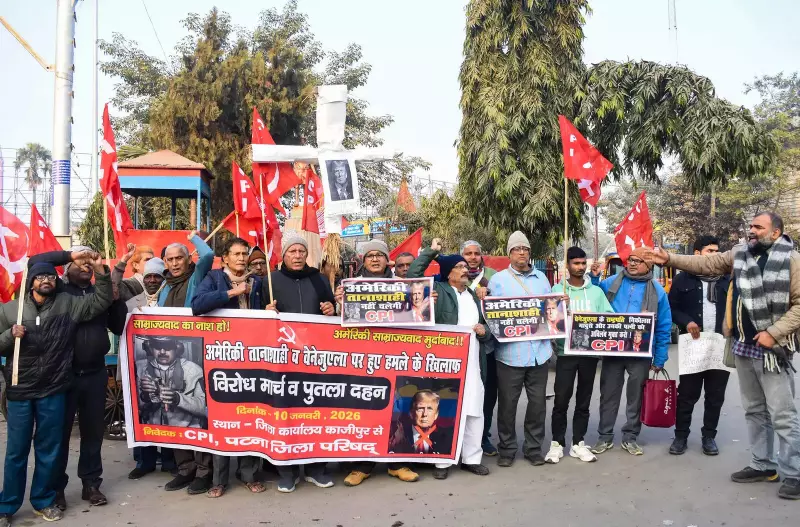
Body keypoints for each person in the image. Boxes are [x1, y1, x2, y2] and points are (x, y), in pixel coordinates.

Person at [651, 212, 800, 500]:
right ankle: (762, 464)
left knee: (782, 415)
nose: (752, 231)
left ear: (777, 232)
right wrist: (669, 258)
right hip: (742, 345)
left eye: (759, 227)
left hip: (773, 350)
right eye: (751, 226)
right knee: (755, 411)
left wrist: (774, 332)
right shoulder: (741, 254)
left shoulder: (792, 260)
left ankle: (793, 472)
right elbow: (705, 263)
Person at [0, 251, 113, 525]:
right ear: (31, 281)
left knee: (48, 448)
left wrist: (103, 272)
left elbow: (101, 300)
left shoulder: (67, 304)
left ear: (56, 280)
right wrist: (8, 335)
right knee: (16, 451)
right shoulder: (9, 310)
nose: (45, 280)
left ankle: (43, 500)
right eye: (40, 276)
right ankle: (7, 505)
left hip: (53, 389)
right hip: (20, 390)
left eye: (50, 275)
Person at [29, 246, 128, 511]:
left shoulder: (100, 293)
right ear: (67, 269)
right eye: (80, 263)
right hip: (63, 375)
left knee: (93, 433)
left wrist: (116, 300)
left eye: (89, 264)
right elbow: (35, 261)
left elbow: (118, 327)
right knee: (59, 435)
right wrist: (71, 253)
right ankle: (57, 488)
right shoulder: (58, 291)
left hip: (95, 374)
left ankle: (91, 484)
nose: (85, 266)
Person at [336, 239, 420, 486]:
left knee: (399, 410)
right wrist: (339, 302)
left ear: (387, 260)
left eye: (379, 255)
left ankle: (398, 464)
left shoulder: (402, 286)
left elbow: (415, 317)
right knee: (364, 412)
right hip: (363, 359)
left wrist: (425, 301)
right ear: (364, 259)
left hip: (395, 357)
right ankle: (361, 466)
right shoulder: (351, 286)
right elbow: (338, 322)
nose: (374, 259)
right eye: (370, 255)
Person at [407, 238, 490, 479]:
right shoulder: (438, 291)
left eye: (467, 267)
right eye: (460, 267)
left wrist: (483, 332)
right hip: (446, 363)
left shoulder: (474, 296)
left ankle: (472, 459)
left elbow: (486, 327)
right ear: (449, 272)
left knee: (474, 410)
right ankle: (441, 462)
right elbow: (413, 273)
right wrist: (433, 252)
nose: (466, 270)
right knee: (444, 409)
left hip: (473, 362)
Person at [191, 237, 265, 497]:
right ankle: (218, 479)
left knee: (249, 417)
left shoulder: (258, 282)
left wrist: (269, 310)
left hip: (252, 358)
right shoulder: (214, 279)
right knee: (222, 419)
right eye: (237, 254)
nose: (242, 258)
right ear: (225, 257)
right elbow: (197, 306)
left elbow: (266, 314)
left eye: (245, 254)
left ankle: (248, 473)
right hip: (221, 358)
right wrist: (233, 292)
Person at [264, 234, 336, 492]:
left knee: (316, 414)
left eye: (301, 251)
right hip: (282, 360)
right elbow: (250, 318)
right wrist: (265, 313)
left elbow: (333, 310)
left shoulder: (318, 278)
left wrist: (331, 309)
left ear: (307, 255)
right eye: (292, 251)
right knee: (285, 414)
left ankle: (317, 468)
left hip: (316, 359)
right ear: (283, 255)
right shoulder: (269, 281)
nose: (297, 255)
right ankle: (287, 470)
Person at [591, 246, 672, 457]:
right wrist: (593, 278)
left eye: (638, 261)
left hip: (640, 353)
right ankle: (605, 436)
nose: (633, 263)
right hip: (613, 351)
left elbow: (664, 326)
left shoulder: (658, 291)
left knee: (636, 396)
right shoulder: (610, 283)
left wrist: (660, 357)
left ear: (649, 265)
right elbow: (593, 298)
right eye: (631, 260)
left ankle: (630, 437)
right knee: (608, 395)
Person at [488, 231, 556, 467]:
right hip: (510, 355)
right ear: (509, 253)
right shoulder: (498, 280)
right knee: (507, 406)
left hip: (539, 354)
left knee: (537, 405)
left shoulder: (542, 279)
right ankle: (507, 449)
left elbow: (551, 313)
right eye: (517, 249)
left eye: (525, 249)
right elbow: (491, 316)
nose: (522, 253)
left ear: (529, 253)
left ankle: (533, 448)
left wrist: (560, 305)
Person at [158, 232, 215, 495]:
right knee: (173, 413)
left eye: (179, 257)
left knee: (196, 414)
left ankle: (204, 471)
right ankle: (185, 469)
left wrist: (193, 237)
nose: (175, 263)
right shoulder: (163, 286)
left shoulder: (196, 277)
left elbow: (208, 255)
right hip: (166, 360)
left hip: (193, 354)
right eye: (169, 259)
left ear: (187, 259)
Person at [546, 247, 614, 464]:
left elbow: (610, 319)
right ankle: (557, 444)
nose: (580, 267)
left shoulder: (596, 292)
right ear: (567, 265)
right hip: (565, 353)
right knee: (561, 400)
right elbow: (548, 321)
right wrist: (560, 307)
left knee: (583, 400)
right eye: (576, 263)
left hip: (589, 355)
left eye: (583, 263)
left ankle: (578, 443)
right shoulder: (558, 289)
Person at [667, 235, 731, 457]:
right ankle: (681, 436)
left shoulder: (728, 279)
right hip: (693, 344)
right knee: (687, 393)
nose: (715, 255)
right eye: (709, 251)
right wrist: (687, 321)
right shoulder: (683, 280)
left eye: (717, 251)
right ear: (696, 254)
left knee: (715, 395)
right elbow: (671, 308)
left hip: (720, 345)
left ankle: (709, 437)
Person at [125, 257, 176, 480]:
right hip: (140, 367)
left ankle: (168, 461)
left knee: (167, 412)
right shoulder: (131, 303)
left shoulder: (171, 301)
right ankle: (144, 462)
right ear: (143, 279)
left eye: (157, 276)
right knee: (143, 413)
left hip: (169, 364)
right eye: (149, 276)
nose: (153, 280)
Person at [461, 240, 499, 456]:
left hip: (488, 348)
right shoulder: (456, 275)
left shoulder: (494, 276)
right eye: (468, 253)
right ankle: (459, 439)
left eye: (476, 253)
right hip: (461, 350)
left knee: (487, 396)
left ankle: (483, 437)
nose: (473, 257)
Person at [136, 336, 206, 428]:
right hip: (152, 431)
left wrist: (178, 399)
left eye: (167, 346)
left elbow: (204, 408)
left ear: (177, 348)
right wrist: (145, 395)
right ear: (151, 348)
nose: (162, 352)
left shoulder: (194, 370)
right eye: (157, 346)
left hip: (187, 432)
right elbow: (133, 407)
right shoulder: (139, 369)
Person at [389, 391, 454, 455]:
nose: (425, 414)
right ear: (411, 413)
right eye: (420, 408)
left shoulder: (447, 438)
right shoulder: (398, 435)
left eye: (429, 409)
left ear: (436, 415)